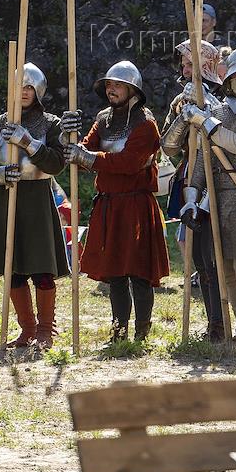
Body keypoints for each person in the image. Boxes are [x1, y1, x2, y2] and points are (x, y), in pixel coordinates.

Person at [63, 61, 171, 344]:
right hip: (109, 204)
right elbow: (85, 149)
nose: (111, 89)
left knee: (138, 272)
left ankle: (142, 332)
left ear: (132, 88)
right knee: (115, 273)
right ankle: (119, 331)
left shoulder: (146, 125)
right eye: (109, 85)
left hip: (136, 205)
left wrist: (86, 157)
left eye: (118, 85)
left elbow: (128, 162)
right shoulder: (103, 119)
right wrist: (68, 137)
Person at [0, 63, 69, 349]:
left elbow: (56, 163)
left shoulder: (50, 124)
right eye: (19, 87)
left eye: (29, 87)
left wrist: (27, 141)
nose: (24, 92)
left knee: (42, 269)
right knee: (12, 269)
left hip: (38, 201)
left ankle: (45, 330)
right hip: (5, 200)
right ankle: (27, 329)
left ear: (38, 91)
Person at [179, 44, 236, 349]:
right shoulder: (215, 112)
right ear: (228, 76)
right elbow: (203, 161)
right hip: (216, 196)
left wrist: (205, 123)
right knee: (224, 266)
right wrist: (191, 198)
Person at [160, 39, 224, 340]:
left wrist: (205, 109)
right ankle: (214, 323)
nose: (186, 71)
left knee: (218, 256)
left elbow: (225, 137)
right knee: (199, 256)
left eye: (191, 65)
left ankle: (227, 323)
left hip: (223, 179)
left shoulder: (227, 95)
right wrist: (185, 116)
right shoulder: (180, 100)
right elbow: (169, 146)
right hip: (190, 177)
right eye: (184, 65)